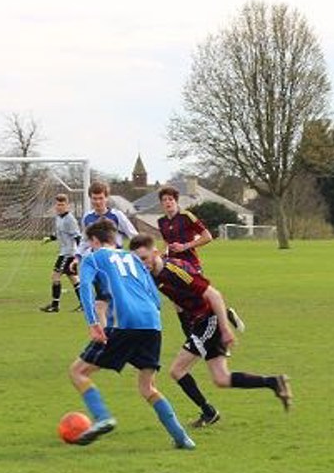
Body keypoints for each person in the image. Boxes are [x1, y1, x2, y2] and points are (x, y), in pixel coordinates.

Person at [129, 233, 292, 428]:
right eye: (137, 260)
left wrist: (225, 329)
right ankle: (275, 382)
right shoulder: (153, 274)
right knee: (221, 378)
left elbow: (214, 295)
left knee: (177, 370)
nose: (142, 264)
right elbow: (177, 302)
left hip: (208, 319)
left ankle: (209, 412)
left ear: (155, 252)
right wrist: (187, 328)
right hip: (198, 321)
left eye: (144, 258)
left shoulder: (175, 271)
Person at [67, 219, 195, 449]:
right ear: (114, 238)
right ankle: (182, 438)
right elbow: (154, 295)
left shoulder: (93, 258)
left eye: (90, 243)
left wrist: (93, 322)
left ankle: (103, 417)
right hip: (152, 324)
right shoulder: (134, 258)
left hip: (125, 324)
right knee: (147, 387)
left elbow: (85, 288)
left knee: (78, 372)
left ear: (95, 241)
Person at [156, 184, 244, 333]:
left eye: (170, 199)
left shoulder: (186, 217)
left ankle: (225, 313)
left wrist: (185, 246)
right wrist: (163, 254)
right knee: (178, 301)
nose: (167, 202)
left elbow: (207, 236)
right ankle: (189, 334)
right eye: (164, 200)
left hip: (190, 264)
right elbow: (166, 241)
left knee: (201, 294)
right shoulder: (161, 222)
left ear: (176, 201)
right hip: (173, 265)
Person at [72, 180, 140, 325]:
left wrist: (138, 254)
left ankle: (116, 334)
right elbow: (85, 240)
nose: (97, 201)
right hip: (98, 265)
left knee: (115, 303)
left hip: (115, 264)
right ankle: (107, 338)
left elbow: (133, 234)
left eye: (100, 198)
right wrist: (77, 257)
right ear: (90, 198)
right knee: (101, 305)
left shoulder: (117, 215)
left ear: (106, 198)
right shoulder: (87, 217)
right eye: (94, 198)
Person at [39, 194, 82, 313]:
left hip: (68, 253)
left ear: (67, 206)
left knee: (55, 276)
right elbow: (58, 233)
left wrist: (79, 255)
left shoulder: (70, 220)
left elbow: (78, 237)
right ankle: (84, 304)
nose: (60, 207)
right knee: (74, 278)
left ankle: (55, 305)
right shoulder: (58, 217)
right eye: (58, 204)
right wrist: (50, 238)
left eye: (62, 205)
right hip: (64, 252)